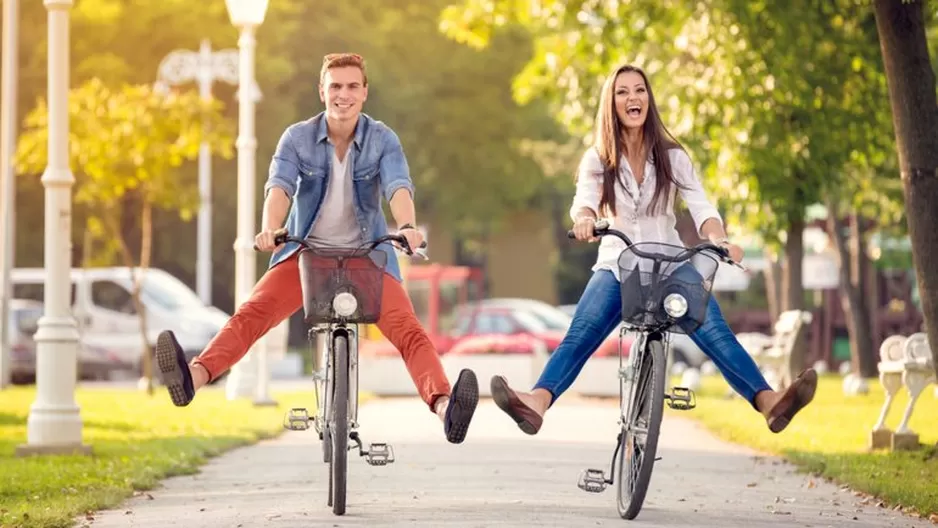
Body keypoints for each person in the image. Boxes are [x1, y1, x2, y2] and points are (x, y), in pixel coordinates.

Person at [155, 52, 479, 444]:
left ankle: (447, 408)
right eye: (336, 86)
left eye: (352, 86)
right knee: (252, 314)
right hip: (306, 255)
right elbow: (280, 186)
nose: (344, 94)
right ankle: (194, 377)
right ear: (322, 90)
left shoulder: (382, 138)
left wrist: (407, 226)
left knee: (409, 332)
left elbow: (398, 185)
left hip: (367, 257)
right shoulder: (297, 138)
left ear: (365, 92)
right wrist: (269, 229)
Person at [490, 63, 817, 436]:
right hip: (619, 263)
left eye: (640, 90)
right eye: (623, 92)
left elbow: (703, 208)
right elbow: (584, 202)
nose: (633, 98)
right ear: (611, 104)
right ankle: (536, 403)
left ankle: (769, 402)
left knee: (714, 330)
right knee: (581, 333)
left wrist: (719, 239)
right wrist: (584, 220)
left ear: (649, 99)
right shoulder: (597, 159)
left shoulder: (673, 156)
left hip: (671, 264)